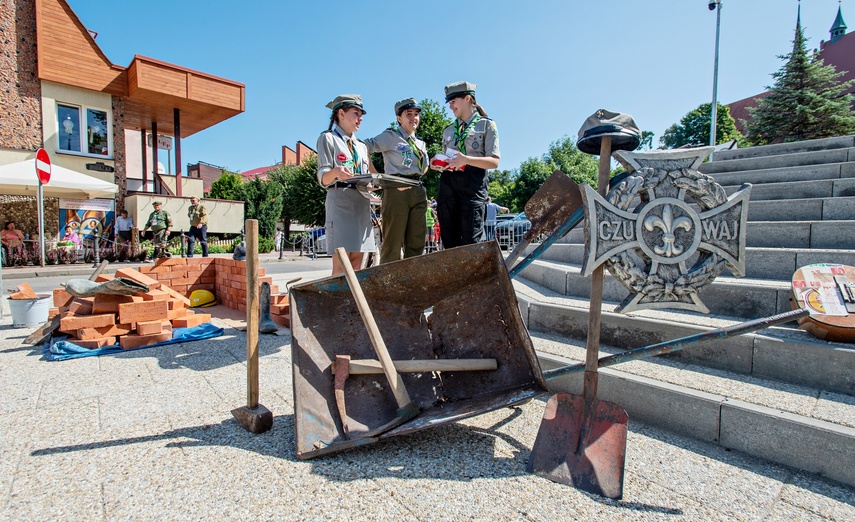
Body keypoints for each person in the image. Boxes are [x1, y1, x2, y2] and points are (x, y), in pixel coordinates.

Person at [431, 81, 500, 249]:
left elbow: (494, 161)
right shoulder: (448, 130)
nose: (450, 107)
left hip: (473, 183)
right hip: (449, 183)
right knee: (448, 238)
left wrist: (466, 160)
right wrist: (438, 163)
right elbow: (449, 158)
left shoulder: (486, 125)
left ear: (468, 98)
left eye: (453, 102)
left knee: (471, 238)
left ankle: (472, 276)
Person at [363, 98, 429, 263]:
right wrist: (376, 175)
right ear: (399, 118)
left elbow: (423, 168)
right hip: (397, 189)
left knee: (417, 242)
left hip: (418, 189)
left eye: (416, 114)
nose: (413, 118)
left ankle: (412, 282)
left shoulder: (420, 142)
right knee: (393, 242)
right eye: (408, 114)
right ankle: (389, 284)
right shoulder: (391, 136)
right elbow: (364, 146)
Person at [316, 94, 375, 276]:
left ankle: (353, 304)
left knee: (358, 263)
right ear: (341, 113)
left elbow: (368, 175)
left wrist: (375, 184)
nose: (360, 118)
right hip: (341, 201)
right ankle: (339, 304)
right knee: (342, 264)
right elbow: (323, 178)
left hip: (362, 202)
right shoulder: (328, 138)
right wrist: (336, 172)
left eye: (361, 114)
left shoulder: (361, 146)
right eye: (356, 113)